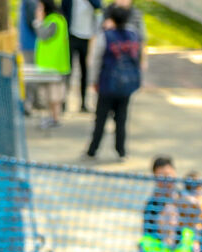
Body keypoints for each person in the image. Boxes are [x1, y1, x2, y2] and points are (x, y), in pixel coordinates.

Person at [86, 3, 142, 161]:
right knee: (121, 118)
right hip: (127, 85)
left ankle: (93, 150)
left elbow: (96, 60)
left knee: (101, 118)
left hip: (107, 84)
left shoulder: (106, 36)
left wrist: (94, 80)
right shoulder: (133, 34)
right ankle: (121, 150)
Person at [27, 0, 69, 129]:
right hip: (49, 65)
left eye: (40, 7)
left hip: (55, 65)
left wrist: (38, 21)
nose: (37, 10)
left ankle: (55, 119)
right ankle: (52, 118)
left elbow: (43, 35)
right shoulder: (54, 20)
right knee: (49, 95)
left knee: (54, 95)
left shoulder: (54, 21)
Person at [67, 0, 99, 111]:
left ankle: (83, 103)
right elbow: (64, 10)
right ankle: (64, 102)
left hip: (87, 37)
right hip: (71, 35)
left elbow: (98, 6)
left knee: (85, 71)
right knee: (68, 70)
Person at [141, 156, 180, 236]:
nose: (165, 181)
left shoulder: (184, 198)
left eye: (168, 175)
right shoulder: (151, 205)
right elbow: (148, 233)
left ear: (174, 173)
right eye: (161, 177)